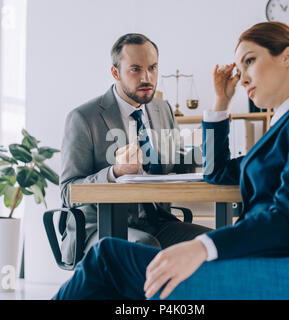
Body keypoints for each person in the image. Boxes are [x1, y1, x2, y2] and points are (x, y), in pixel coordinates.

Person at [53, 22, 289, 300]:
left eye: (250, 60)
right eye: (136, 69)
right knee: (111, 255)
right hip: (254, 255)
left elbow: (286, 219)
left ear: (287, 57)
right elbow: (218, 172)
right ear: (116, 72)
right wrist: (221, 102)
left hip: (263, 266)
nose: (243, 76)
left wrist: (202, 247)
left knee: (108, 259)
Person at [60, 33, 211, 265]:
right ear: (115, 72)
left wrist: (204, 153)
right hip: (100, 227)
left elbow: (178, 164)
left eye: (152, 68)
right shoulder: (83, 118)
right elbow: (68, 191)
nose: (146, 77)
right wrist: (114, 173)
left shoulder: (163, 109)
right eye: (136, 69)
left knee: (211, 242)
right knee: (144, 247)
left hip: (157, 222)